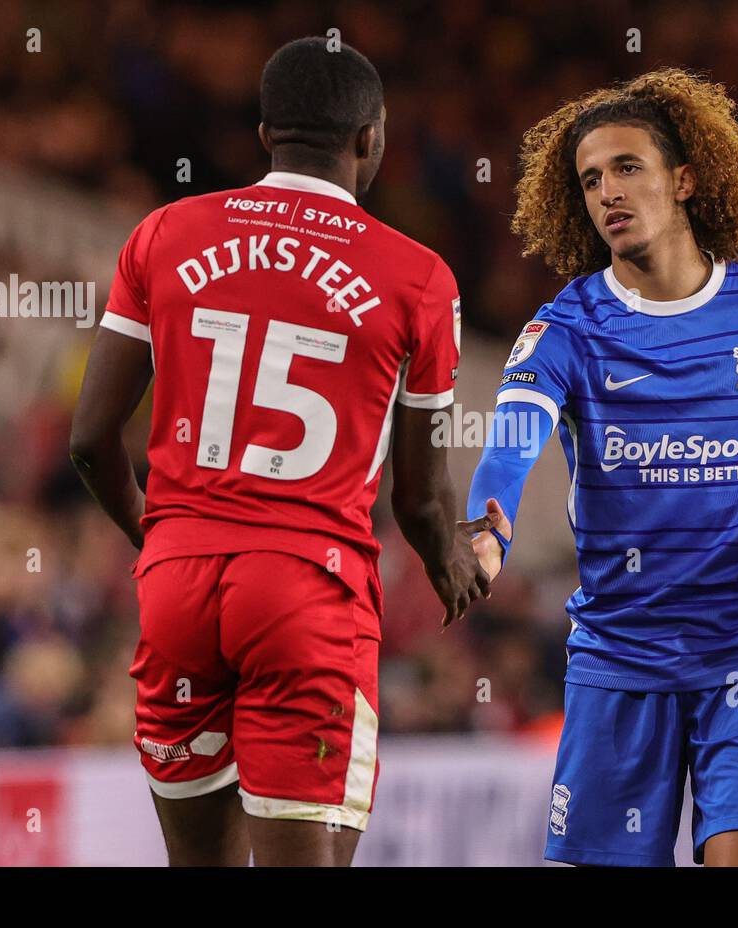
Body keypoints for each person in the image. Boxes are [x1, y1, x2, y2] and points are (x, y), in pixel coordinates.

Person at [459, 69, 738, 867]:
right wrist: (485, 535)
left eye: (628, 167)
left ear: (686, 179)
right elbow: (509, 443)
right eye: (591, 178)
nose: (608, 190)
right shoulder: (566, 325)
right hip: (619, 655)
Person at [69, 37, 491, 867]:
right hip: (307, 588)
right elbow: (419, 497)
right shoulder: (419, 279)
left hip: (178, 586)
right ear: (371, 138)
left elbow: (90, 441)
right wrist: (451, 562)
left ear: (265, 135)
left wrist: (159, 539)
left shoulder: (165, 233)